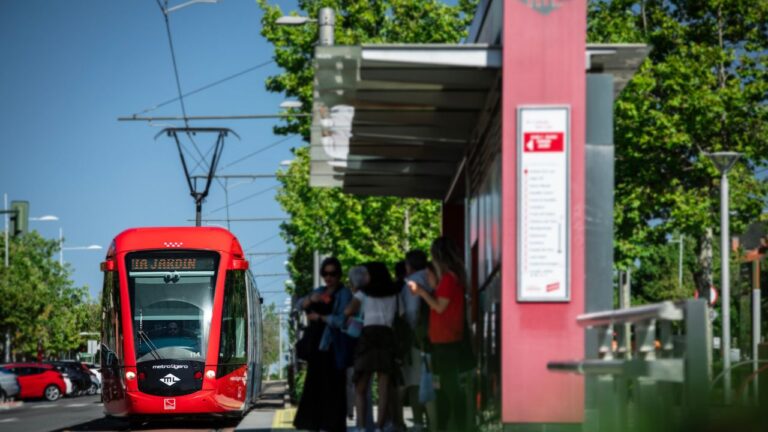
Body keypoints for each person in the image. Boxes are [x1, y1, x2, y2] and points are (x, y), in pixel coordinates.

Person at [408, 237, 470, 431]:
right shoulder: (452, 279)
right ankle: (451, 426)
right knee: (445, 389)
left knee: (447, 390)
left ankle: (452, 426)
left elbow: (439, 307)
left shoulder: (449, 279)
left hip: (446, 343)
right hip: (446, 341)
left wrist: (421, 292)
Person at [293, 257, 352, 432]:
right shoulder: (319, 291)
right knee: (315, 388)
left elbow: (342, 320)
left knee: (334, 389)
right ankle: (315, 424)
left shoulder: (344, 294)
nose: (329, 277)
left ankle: (333, 425)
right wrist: (311, 299)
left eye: (333, 273)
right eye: (325, 273)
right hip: (317, 349)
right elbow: (299, 304)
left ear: (339, 275)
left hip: (333, 347)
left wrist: (321, 318)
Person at [346, 262, 401, 432]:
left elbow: (348, 311)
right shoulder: (394, 293)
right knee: (383, 385)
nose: (365, 278)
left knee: (361, 384)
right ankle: (380, 426)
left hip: (368, 337)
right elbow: (401, 314)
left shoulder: (363, 294)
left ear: (373, 275)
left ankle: (362, 426)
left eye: (367, 274)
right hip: (387, 336)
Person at [399, 250, 435, 432]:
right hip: (436, 335)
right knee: (432, 378)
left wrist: (412, 332)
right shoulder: (432, 277)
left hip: (418, 337)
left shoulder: (411, 282)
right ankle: (435, 420)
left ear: (409, 266)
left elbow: (411, 312)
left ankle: (419, 421)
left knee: (415, 382)